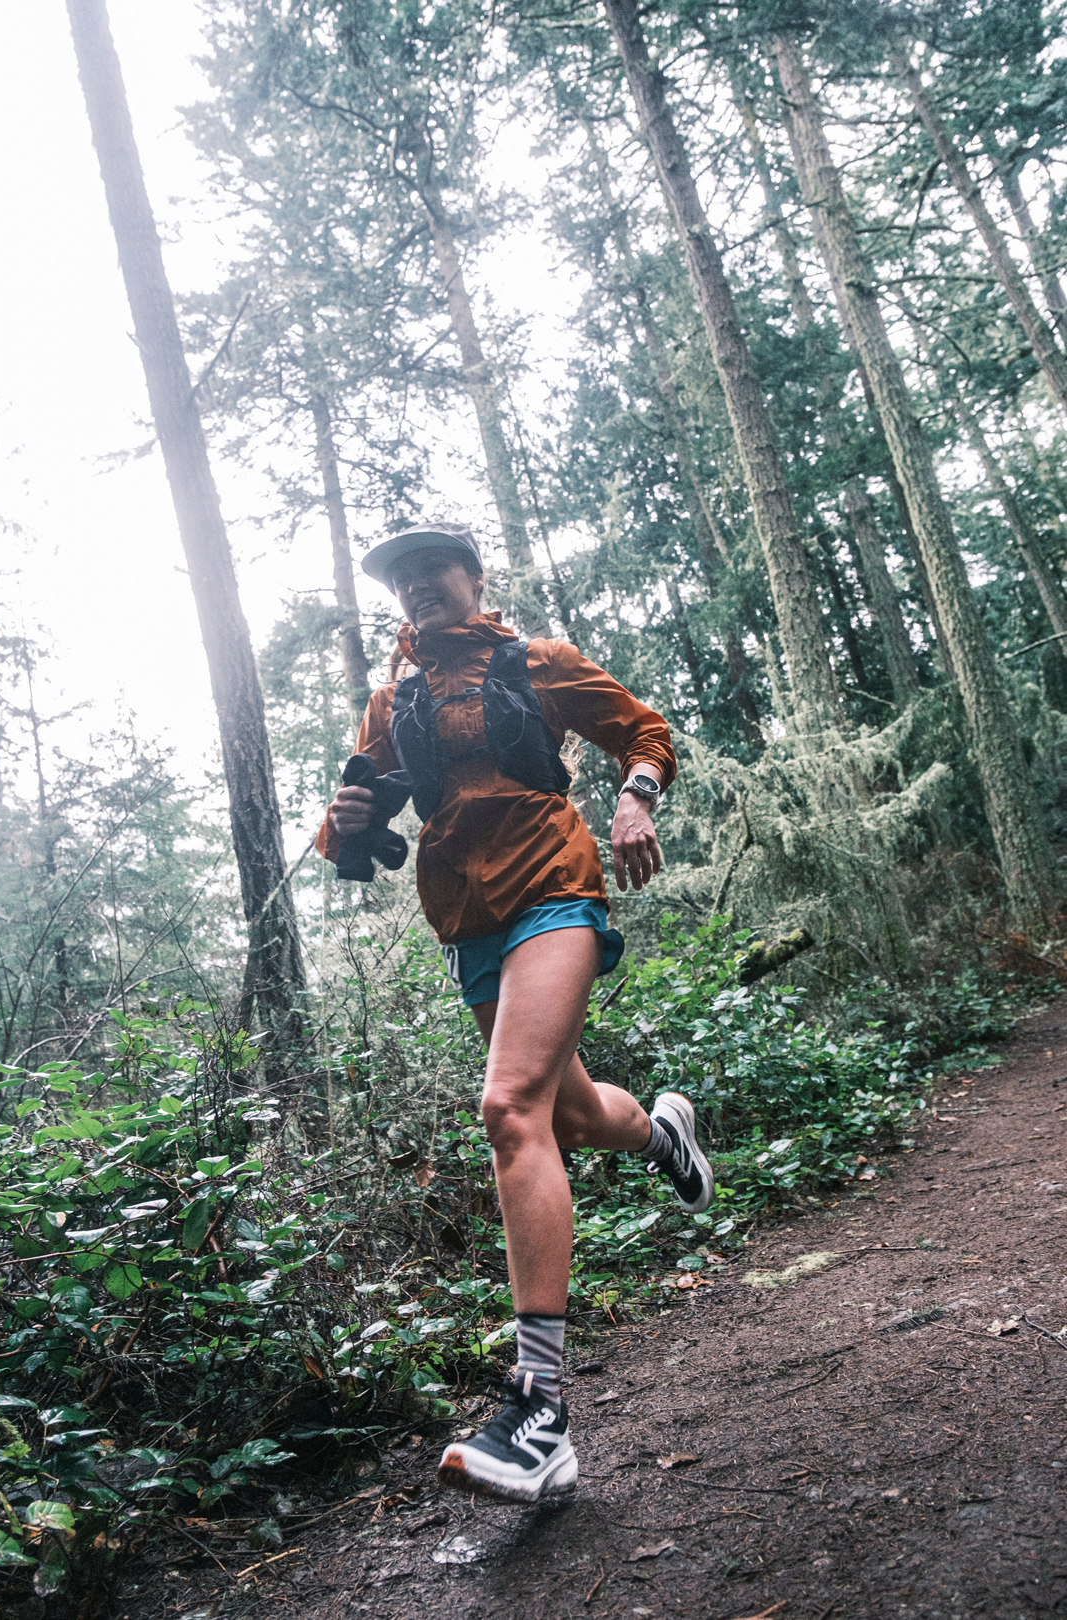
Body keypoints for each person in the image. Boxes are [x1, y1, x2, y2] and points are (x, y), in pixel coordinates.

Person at [318, 520, 713, 1505]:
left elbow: (645, 729)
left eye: (430, 571)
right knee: (567, 1113)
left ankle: (537, 1409)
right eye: (399, 579)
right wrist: (347, 823)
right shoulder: (392, 702)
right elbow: (351, 827)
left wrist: (634, 796)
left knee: (508, 1112)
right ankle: (662, 1132)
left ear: (472, 577)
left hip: (553, 889)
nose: (415, 587)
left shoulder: (536, 663)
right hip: (465, 917)